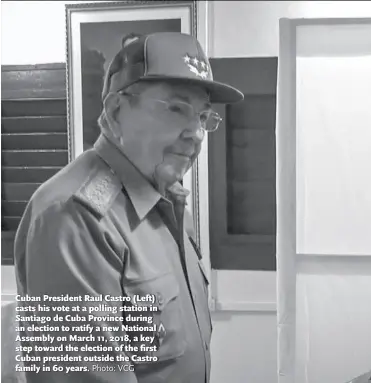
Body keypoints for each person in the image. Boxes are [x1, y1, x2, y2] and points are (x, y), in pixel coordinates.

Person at [13, 32, 243, 383]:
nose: (196, 133)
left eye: (203, 117)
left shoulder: (170, 200)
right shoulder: (72, 218)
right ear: (117, 112)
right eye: (177, 109)